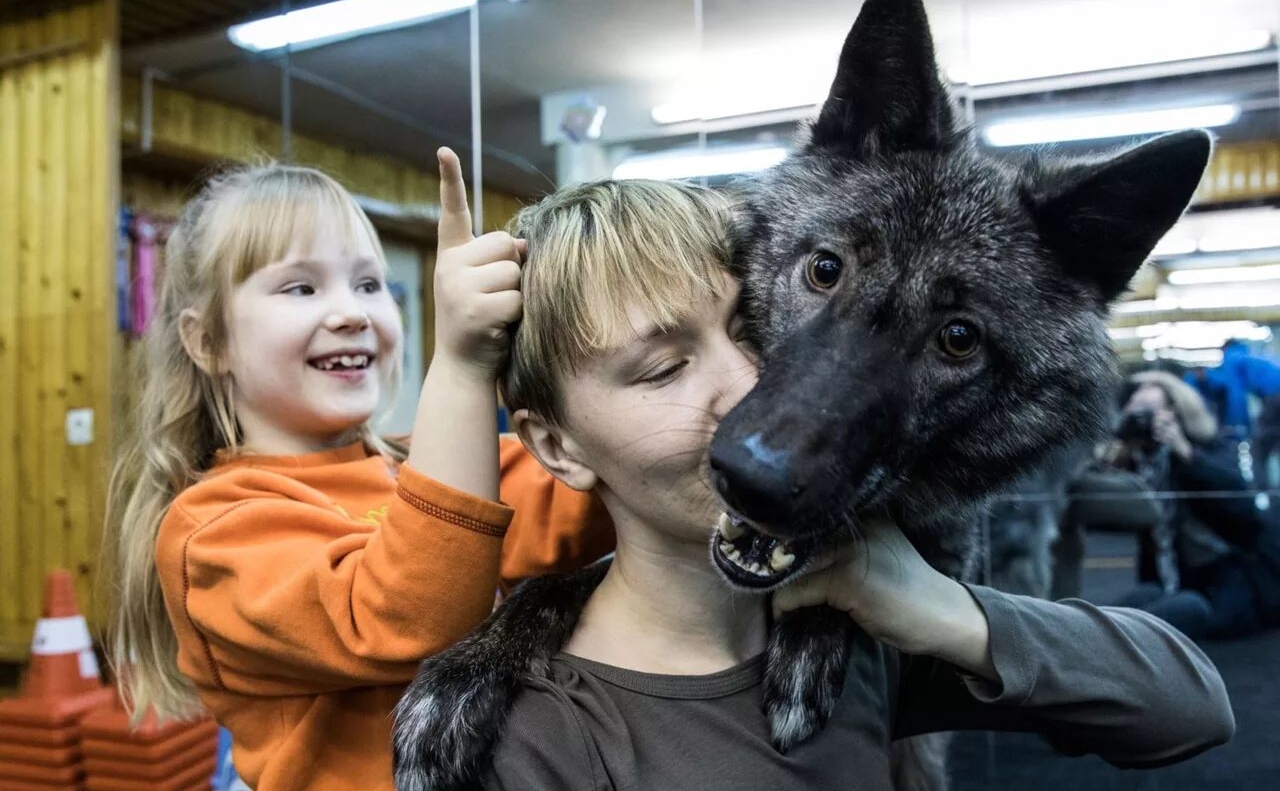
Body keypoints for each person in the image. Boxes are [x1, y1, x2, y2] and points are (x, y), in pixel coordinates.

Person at [468, 179, 1234, 790]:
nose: (751, 388)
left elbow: (1188, 708)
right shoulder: (539, 728)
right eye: (665, 369)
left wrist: (940, 607)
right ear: (557, 447)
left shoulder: (864, 635)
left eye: (752, 328)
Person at [106, 152, 614, 791]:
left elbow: (589, 490)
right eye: (301, 288)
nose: (352, 312)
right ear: (208, 341)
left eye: (370, 285)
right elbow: (412, 619)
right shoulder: (212, 532)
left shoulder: (410, 465)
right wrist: (460, 367)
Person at [1101, 371, 1280, 639]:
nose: (1138, 417)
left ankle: (1112, 641)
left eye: (1147, 409)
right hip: (1171, 578)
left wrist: (1185, 452)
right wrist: (1115, 458)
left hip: (1225, 579)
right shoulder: (1138, 460)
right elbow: (1104, 515)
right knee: (1145, 598)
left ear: (1176, 412)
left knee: (1190, 609)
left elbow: (1245, 511)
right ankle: (1095, 638)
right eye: (1133, 409)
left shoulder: (1208, 448)